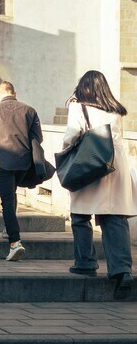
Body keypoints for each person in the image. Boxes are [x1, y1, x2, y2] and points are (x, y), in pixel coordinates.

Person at [61, 70, 137, 299]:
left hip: (90, 164)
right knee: (115, 219)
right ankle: (122, 271)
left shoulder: (78, 107)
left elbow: (71, 136)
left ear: (83, 87)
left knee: (80, 215)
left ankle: (85, 263)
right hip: (116, 166)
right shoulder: (116, 110)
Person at [0, 81, 43, 261]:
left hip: (3, 162)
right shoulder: (30, 110)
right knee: (12, 194)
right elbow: (38, 138)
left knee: (7, 200)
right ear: (14, 94)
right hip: (24, 163)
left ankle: (15, 243)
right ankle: (9, 228)